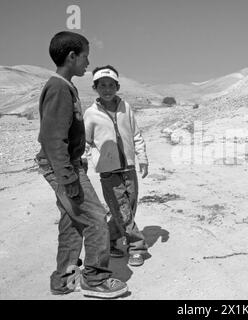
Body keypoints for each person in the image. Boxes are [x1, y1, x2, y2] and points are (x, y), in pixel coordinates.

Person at [35, 31, 128, 299]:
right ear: (72, 56)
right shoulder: (58, 87)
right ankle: (95, 279)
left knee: (73, 220)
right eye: (86, 56)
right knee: (96, 217)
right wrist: (69, 178)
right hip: (63, 167)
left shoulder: (64, 85)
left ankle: (63, 278)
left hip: (67, 164)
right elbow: (53, 139)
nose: (88, 63)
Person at [84, 65, 149, 267]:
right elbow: (85, 142)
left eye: (111, 85)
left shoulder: (125, 107)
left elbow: (136, 134)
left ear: (117, 86)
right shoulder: (91, 113)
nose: (107, 89)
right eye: (102, 85)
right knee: (121, 209)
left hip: (128, 167)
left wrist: (143, 158)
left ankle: (109, 240)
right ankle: (136, 246)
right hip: (108, 170)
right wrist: (86, 161)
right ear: (95, 87)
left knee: (129, 206)